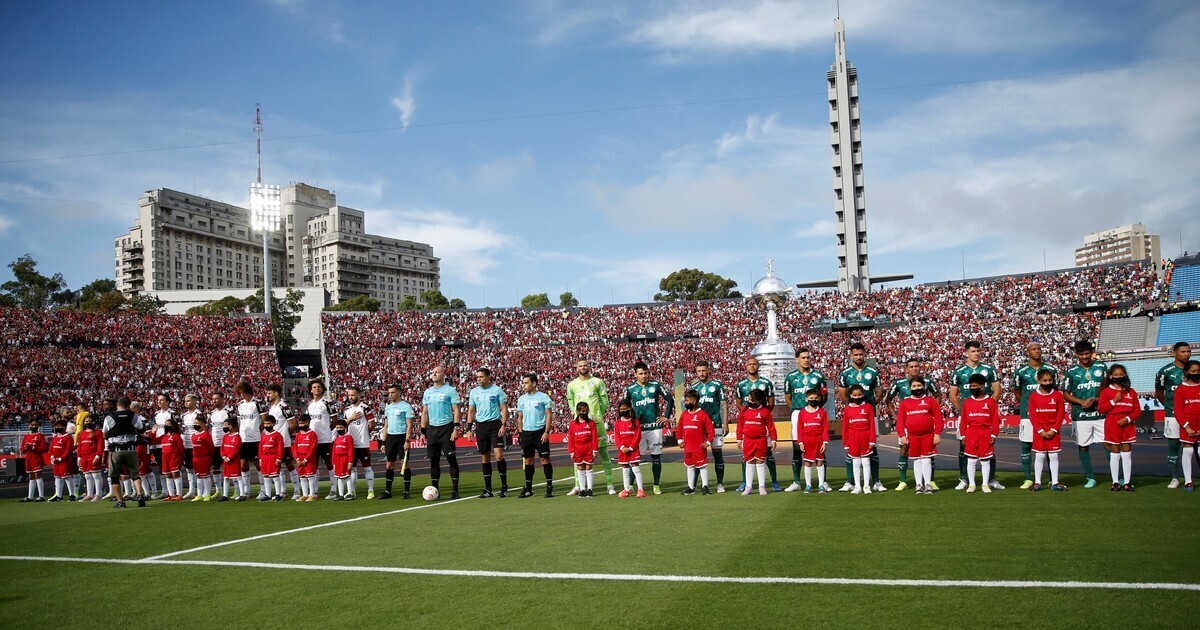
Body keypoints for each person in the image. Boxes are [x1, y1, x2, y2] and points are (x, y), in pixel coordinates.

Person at [949, 340, 1003, 491]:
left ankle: (991, 479)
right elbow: (953, 395)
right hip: (967, 414)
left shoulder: (989, 369)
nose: (976, 353)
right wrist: (965, 410)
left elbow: (997, 391)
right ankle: (964, 479)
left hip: (985, 412)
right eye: (973, 351)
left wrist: (987, 406)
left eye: (978, 351)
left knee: (989, 446)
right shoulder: (959, 372)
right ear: (966, 353)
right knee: (963, 447)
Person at [884, 358, 940, 491]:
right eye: (911, 367)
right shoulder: (899, 382)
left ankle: (930, 481)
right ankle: (903, 481)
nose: (914, 369)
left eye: (916, 366)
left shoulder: (927, 381)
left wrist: (931, 410)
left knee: (928, 453)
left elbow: (938, 395)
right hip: (907, 423)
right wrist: (895, 416)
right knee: (904, 449)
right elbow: (888, 399)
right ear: (907, 369)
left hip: (924, 421)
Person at [837, 343, 886, 492]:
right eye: (855, 354)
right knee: (851, 449)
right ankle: (850, 481)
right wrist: (853, 406)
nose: (858, 357)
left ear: (864, 355)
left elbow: (879, 392)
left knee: (873, 448)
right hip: (852, 415)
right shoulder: (845, 374)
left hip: (869, 415)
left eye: (860, 354)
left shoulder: (873, 372)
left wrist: (869, 406)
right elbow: (842, 394)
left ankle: (876, 481)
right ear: (851, 355)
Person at [623, 361, 675, 495]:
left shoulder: (656, 385)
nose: (644, 376)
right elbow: (624, 406)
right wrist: (626, 422)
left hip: (655, 427)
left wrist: (666, 416)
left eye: (646, 373)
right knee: (634, 458)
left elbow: (670, 399)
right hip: (638, 428)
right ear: (635, 374)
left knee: (656, 457)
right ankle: (630, 485)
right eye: (640, 374)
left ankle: (656, 485)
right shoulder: (630, 389)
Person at [1063, 340, 1108, 489]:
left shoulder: (1102, 367)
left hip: (1101, 414)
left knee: (1109, 444)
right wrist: (1081, 402)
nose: (1084, 356)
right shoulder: (1071, 371)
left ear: (1092, 352)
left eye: (1087, 353)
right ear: (1076, 354)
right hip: (1080, 415)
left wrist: (1096, 399)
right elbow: (1066, 394)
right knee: (1083, 446)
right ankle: (1090, 477)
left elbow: (1109, 389)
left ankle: (1117, 477)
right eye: (1081, 354)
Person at [566, 360, 614, 496]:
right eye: (580, 365)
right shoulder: (572, 385)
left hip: (596, 423)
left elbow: (604, 401)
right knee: (577, 455)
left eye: (585, 365)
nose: (583, 367)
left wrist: (598, 415)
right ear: (576, 368)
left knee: (604, 453)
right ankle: (578, 486)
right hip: (579, 424)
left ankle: (609, 485)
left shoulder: (598, 382)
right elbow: (570, 401)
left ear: (589, 367)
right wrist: (576, 415)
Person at [1014, 343, 1058, 490]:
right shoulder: (1021, 371)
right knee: (1026, 445)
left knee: (1048, 447)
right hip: (1027, 415)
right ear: (1028, 352)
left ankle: (1053, 478)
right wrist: (1028, 407)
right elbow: (1018, 393)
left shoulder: (1051, 369)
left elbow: (1055, 391)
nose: (1037, 351)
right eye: (1033, 349)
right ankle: (1028, 478)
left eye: (1039, 348)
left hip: (1047, 415)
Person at [784, 349, 828, 492]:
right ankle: (797, 481)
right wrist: (801, 411)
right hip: (798, 412)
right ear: (797, 359)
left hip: (815, 414)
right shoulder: (790, 377)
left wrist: (816, 410)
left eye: (808, 357)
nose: (806, 360)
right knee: (797, 447)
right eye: (803, 357)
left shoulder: (819, 376)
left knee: (820, 446)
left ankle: (823, 481)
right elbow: (788, 399)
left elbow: (824, 396)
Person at [735, 357, 781, 492]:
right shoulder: (741, 384)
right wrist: (749, 413)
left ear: (758, 366)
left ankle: (773, 481)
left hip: (761, 426)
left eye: (754, 364)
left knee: (767, 456)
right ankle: (745, 483)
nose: (752, 366)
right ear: (746, 366)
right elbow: (738, 403)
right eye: (749, 364)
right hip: (749, 423)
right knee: (747, 458)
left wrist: (761, 414)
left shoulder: (766, 383)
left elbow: (771, 403)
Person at [895, 379, 944, 495]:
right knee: (916, 460)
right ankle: (918, 485)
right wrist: (902, 435)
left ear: (924, 386)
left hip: (928, 435)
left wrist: (937, 434)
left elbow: (938, 418)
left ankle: (927, 484)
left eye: (919, 385)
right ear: (910, 388)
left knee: (926, 460)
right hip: (913, 436)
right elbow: (900, 421)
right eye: (914, 386)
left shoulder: (930, 401)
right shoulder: (905, 403)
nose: (917, 388)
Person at [422, 366, 463, 499]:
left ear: (443, 374)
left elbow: (456, 409)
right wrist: (423, 431)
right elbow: (425, 412)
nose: (434, 374)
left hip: (447, 428)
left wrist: (456, 428)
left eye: (437, 372)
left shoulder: (450, 390)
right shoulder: (427, 392)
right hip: (432, 430)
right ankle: (435, 490)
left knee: (451, 459)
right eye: (432, 372)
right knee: (434, 461)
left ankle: (455, 490)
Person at [468, 368, 510, 498]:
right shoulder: (474, 392)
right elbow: (471, 411)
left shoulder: (497, 390)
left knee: (498, 455)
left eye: (481, 377)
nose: (478, 379)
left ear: (488, 377)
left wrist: (503, 425)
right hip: (481, 426)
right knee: (485, 457)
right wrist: (469, 429)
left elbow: (504, 409)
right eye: (477, 377)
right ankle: (488, 489)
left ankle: (504, 486)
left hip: (495, 425)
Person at [1155, 342, 1192, 488]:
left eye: (1188, 351)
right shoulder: (1165, 371)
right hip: (1173, 414)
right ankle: (1174, 478)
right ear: (1174, 353)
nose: (1186, 354)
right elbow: (1159, 393)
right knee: (1174, 444)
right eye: (1183, 351)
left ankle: (1189, 477)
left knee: (1195, 444)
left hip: (1194, 414)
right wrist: (1171, 408)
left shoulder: (1196, 369)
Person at [1098, 364, 1137, 492]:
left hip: (1127, 424)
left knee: (1127, 453)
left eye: (1121, 374)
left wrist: (1128, 419)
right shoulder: (1106, 391)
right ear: (1111, 376)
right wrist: (1113, 401)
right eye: (1116, 375)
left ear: (1125, 375)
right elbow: (1101, 409)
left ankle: (1127, 482)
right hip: (1112, 423)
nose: (1119, 377)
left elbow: (1137, 410)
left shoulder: (1131, 392)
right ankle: (1115, 482)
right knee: (1115, 452)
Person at [102, 396, 147, 508]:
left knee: (114, 476)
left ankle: (120, 501)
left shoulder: (110, 417)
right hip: (130, 449)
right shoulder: (133, 416)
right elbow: (141, 429)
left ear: (117, 405)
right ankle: (140, 494)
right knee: (135, 474)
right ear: (128, 406)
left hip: (116, 450)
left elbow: (105, 434)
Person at [515, 373, 555, 498]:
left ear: (534, 383)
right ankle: (528, 488)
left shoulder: (543, 397)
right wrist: (520, 432)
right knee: (528, 460)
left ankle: (549, 487)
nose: (524, 385)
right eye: (523, 383)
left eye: (526, 383)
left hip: (540, 432)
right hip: (526, 433)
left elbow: (549, 414)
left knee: (544, 459)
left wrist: (546, 431)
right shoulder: (521, 399)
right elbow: (520, 417)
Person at [691, 360, 728, 492]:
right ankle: (693, 485)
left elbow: (723, 404)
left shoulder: (717, 385)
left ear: (708, 370)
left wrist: (725, 423)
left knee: (718, 453)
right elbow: (690, 407)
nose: (701, 373)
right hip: (699, 427)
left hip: (716, 424)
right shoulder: (694, 387)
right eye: (699, 371)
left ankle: (719, 483)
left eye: (703, 370)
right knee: (697, 455)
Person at [1028, 368, 1068, 491]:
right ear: (1039, 380)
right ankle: (1037, 482)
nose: (1047, 382)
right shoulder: (1033, 396)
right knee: (1039, 456)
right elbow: (1033, 415)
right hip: (1039, 431)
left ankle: (1055, 482)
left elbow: (1061, 414)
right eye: (1044, 380)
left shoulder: (1057, 395)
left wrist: (1053, 430)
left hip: (1053, 431)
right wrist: (1041, 431)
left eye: (1050, 380)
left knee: (1054, 456)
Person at [961, 374, 1001, 494]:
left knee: (985, 460)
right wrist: (963, 435)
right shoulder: (967, 402)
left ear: (982, 386)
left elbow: (995, 420)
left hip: (985, 433)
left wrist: (994, 434)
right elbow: (963, 421)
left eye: (975, 386)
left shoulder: (990, 402)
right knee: (971, 460)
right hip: (971, 433)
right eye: (971, 386)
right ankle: (972, 484)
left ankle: (985, 484)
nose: (972, 388)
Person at [379, 384, 416, 499]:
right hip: (390, 437)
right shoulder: (388, 407)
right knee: (389, 464)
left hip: (401, 437)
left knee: (404, 464)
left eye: (393, 393)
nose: (390, 395)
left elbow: (409, 426)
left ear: (399, 393)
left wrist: (407, 440)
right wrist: (383, 442)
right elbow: (386, 426)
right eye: (389, 393)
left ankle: (406, 491)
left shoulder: (406, 407)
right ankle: (387, 491)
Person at [305, 380, 340, 500]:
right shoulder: (309, 404)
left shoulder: (327, 402)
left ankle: (334, 490)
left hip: (325, 439)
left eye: (319, 387)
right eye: (314, 387)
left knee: (330, 464)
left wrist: (328, 430)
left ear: (322, 389)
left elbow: (335, 420)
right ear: (311, 390)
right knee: (313, 466)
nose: (317, 389)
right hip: (313, 440)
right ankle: (314, 491)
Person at [233, 380, 268, 500]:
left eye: (244, 392)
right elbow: (239, 421)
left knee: (258, 464)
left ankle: (263, 490)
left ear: (249, 391)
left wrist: (258, 430)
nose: (242, 395)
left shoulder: (258, 403)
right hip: (243, 439)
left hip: (256, 439)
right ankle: (246, 491)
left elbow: (264, 419)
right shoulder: (240, 405)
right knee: (243, 465)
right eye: (240, 393)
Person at [677, 389, 715, 495]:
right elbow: (679, 428)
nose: (685, 403)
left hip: (699, 447)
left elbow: (710, 430)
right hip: (687, 447)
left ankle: (705, 486)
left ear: (694, 401)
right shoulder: (684, 414)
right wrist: (680, 440)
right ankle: (691, 487)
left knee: (702, 466)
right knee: (689, 467)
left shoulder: (702, 414)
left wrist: (708, 442)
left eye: (687, 401)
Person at [738, 388, 776, 496]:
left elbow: (771, 426)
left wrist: (773, 440)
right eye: (749, 399)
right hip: (748, 440)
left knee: (760, 462)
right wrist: (739, 439)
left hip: (761, 440)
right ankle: (748, 487)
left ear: (759, 401)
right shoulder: (744, 410)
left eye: (753, 400)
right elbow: (740, 426)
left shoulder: (765, 411)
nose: (750, 402)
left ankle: (762, 486)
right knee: (749, 461)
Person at [265, 384, 299, 500]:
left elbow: (292, 424)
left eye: (270, 393)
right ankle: (282, 492)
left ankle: (297, 491)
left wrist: (286, 436)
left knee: (290, 465)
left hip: (283, 442)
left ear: (276, 393)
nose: (268, 395)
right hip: (274, 443)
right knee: (277, 467)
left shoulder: (283, 406)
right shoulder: (272, 407)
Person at [842, 384, 877, 494]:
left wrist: (872, 440)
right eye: (855, 395)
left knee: (866, 461)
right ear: (851, 396)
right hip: (853, 438)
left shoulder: (868, 407)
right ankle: (857, 486)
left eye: (859, 395)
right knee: (856, 462)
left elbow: (872, 425)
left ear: (863, 395)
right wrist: (846, 443)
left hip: (865, 437)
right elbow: (845, 427)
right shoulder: (847, 409)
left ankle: (866, 486)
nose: (857, 397)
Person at [342, 386, 375, 499]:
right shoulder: (347, 410)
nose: (350, 397)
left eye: (353, 395)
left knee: (367, 467)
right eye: (349, 395)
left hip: (363, 443)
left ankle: (370, 491)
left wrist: (366, 433)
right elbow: (343, 425)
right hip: (351, 445)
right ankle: (352, 491)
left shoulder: (365, 408)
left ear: (359, 395)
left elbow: (372, 423)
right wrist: (350, 418)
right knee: (352, 469)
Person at [794, 388, 830, 493]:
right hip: (807, 440)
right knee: (808, 463)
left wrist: (824, 442)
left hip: (818, 440)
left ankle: (821, 485)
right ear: (806, 399)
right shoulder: (802, 413)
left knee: (820, 462)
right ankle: (808, 485)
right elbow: (799, 428)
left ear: (819, 399)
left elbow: (824, 428)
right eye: (811, 398)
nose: (813, 400)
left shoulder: (822, 412)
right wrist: (801, 442)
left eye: (815, 398)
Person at [1174, 360, 1200, 491]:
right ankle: (1188, 481)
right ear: (1186, 372)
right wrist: (1186, 426)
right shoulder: (1181, 389)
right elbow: (1178, 410)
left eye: (1198, 371)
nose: (1196, 373)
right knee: (1188, 449)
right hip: (1188, 424)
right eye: (1193, 371)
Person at [613, 401, 645, 498]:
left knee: (635, 467)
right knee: (625, 470)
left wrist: (631, 447)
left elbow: (637, 436)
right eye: (621, 409)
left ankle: (640, 489)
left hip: (633, 449)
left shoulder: (635, 421)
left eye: (624, 409)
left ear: (629, 408)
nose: (623, 411)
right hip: (623, 450)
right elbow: (617, 437)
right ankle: (626, 490)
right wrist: (622, 447)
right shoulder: (618, 422)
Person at [568, 402, 599, 498]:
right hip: (578, 449)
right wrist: (572, 451)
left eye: (586, 411)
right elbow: (571, 439)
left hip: (589, 448)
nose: (584, 413)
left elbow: (594, 437)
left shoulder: (591, 423)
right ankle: (582, 489)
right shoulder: (573, 424)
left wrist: (595, 450)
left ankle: (589, 489)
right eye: (582, 411)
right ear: (578, 411)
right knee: (580, 468)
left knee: (589, 467)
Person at [207, 392, 233, 498]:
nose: (214, 401)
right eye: (213, 399)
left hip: (227, 443)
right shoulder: (212, 413)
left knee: (230, 466)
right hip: (216, 443)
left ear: (222, 399)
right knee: (216, 466)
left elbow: (235, 426)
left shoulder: (228, 411)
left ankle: (236, 490)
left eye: (217, 398)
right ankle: (218, 490)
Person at [257, 413, 286, 502]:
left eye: (268, 424)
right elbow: (260, 448)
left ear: (273, 424)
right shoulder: (263, 435)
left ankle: (278, 494)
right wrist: (260, 459)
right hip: (265, 458)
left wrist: (279, 459)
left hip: (273, 457)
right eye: (265, 424)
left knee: (275, 476)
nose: (267, 425)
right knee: (266, 477)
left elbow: (280, 448)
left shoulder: (277, 435)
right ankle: (268, 495)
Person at [180, 394, 203, 500]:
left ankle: (201, 491)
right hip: (187, 445)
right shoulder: (183, 416)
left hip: (197, 445)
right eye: (185, 401)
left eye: (188, 401)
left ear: (194, 401)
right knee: (189, 468)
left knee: (199, 468)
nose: (186, 402)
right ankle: (191, 490)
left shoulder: (199, 414)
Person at [76, 415, 104, 502]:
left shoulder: (98, 433)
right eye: (86, 421)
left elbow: (100, 446)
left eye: (90, 421)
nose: (88, 423)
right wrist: (79, 458)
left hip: (93, 456)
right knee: (87, 476)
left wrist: (98, 456)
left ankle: (98, 494)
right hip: (84, 457)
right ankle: (89, 494)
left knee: (96, 475)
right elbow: (79, 447)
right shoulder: (82, 433)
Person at [48, 419, 77, 502]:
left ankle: (72, 494)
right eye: (56, 426)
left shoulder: (68, 438)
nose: (57, 428)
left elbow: (68, 451)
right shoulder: (55, 438)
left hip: (64, 461)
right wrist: (53, 457)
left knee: (67, 477)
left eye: (59, 426)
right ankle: (58, 495)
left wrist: (60, 459)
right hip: (56, 462)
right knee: (58, 478)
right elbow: (50, 450)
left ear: (64, 427)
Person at [293, 414, 320, 501]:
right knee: (302, 477)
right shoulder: (298, 435)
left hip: (309, 459)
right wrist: (297, 459)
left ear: (307, 422)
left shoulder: (312, 434)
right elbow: (295, 447)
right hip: (299, 458)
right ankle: (304, 494)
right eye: (299, 423)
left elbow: (312, 448)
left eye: (302, 423)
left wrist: (306, 459)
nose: (300, 425)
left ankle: (312, 494)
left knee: (310, 476)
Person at [190, 415, 215, 502]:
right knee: (198, 476)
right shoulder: (193, 435)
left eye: (197, 423)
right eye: (194, 423)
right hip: (196, 459)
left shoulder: (206, 435)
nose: (195, 425)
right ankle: (199, 494)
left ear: (203, 425)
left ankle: (207, 494)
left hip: (204, 458)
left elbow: (211, 447)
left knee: (206, 476)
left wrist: (209, 457)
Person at [219, 417, 244, 501]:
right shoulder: (225, 437)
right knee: (226, 477)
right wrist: (223, 456)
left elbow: (236, 449)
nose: (224, 427)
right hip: (226, 461)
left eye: (225, 425)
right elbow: (222, 448)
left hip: (234, 461)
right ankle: (225, 495)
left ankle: (242, 494)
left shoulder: (237, 437)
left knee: (238, 477)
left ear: (230, 426)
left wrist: (229, 458)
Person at [159, 418, 185, 501]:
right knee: (168, 475)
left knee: (175, 474)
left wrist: (180, 458)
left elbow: (181, 448)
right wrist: (152, 432)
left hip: (174, 456)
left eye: (169, 424)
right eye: (166, 424)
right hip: (165, 457)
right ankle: (171, 495)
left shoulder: (176, 436)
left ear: (173, 426)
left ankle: (179, 494)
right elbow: (153, 440)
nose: (167, 426)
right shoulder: (163, 437)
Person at [331, 418, 355, 500]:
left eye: (341, 428)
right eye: (337, 428)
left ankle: (350, 493)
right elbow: (334, 451)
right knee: (339, 477)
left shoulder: (348, 437)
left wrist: (350, 462)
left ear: (345, 427)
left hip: (345, 459)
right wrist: (333, 463)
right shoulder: (336, 438)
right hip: (337, 460)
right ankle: (340, 494)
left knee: (347, 476)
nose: (339, 429)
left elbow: (351, 450)